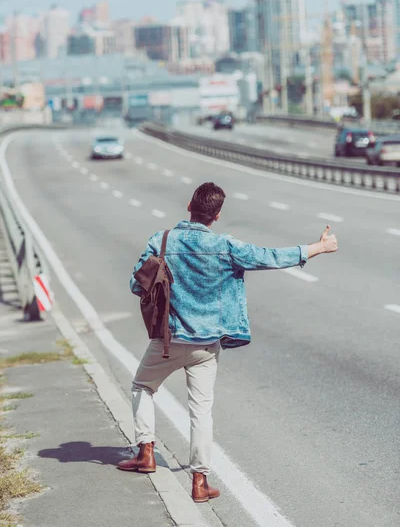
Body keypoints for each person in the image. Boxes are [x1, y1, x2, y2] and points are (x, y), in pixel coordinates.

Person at [117, 182, 338, 502]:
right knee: (201, 411)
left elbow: (136, 285)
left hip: (168, 340)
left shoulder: (161, 241)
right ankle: (199, 481)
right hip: (207, 346)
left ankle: (146, 452)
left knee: (142, 387)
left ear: (190, 205)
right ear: (217, 215)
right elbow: (270, 257)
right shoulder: (227, 247)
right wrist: (317, 247)